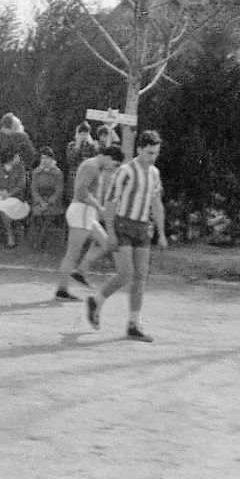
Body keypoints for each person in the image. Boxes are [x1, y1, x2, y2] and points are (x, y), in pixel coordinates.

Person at [85, 130, 168, 341]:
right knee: (125, 273)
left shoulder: (154, 173)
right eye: (149, 152)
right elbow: (110, 202)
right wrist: (110, 232)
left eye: (156, 153)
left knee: (140, 277)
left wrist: (162, 233)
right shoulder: (125, 171)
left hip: (142, 227)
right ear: (139, 149)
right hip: (123, 225)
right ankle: (97, 301)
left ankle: (134, 324)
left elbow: (156, 203)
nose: (153, 157)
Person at [54, 146, 124, 302]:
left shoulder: (93, 165)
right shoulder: (92, 167)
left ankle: (81, 271)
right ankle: (62, 290)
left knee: (105, 243)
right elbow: (81, 192)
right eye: (115, 165)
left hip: (86, 213)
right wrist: (99, 208)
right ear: (108, 157)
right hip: (82, 212)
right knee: (72, 254)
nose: (113, 168)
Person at [0, 151, 29, 249]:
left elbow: (21, 186)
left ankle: (10, 236)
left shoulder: (20, 168)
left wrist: (10, 193)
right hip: (0, 195)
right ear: (9, 158)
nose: (18, 159)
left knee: (4, 209)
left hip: (15, 197)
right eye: (16, 157)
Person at [29, 146, 65, 250]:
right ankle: (40, 241)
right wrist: (41, 202)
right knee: (38, 215)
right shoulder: (36, 172)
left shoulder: (58, 173)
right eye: (43, 158)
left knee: (48, 216)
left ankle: (39, 243)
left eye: (47, 158)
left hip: (53, 202)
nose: (45, 161)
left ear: (52, 159)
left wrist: (49, 202)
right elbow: (34, 190)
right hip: (39, 201)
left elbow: (59, 191)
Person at [65, 121, 99, 203]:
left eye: (86, 134)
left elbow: (96, 162)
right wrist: (78, 146)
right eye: (82, 134)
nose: (83, 136)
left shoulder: (91, 147)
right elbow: (70, 161)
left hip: (87, 180)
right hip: (74, 178)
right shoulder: (71, 145)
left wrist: (95, 148)